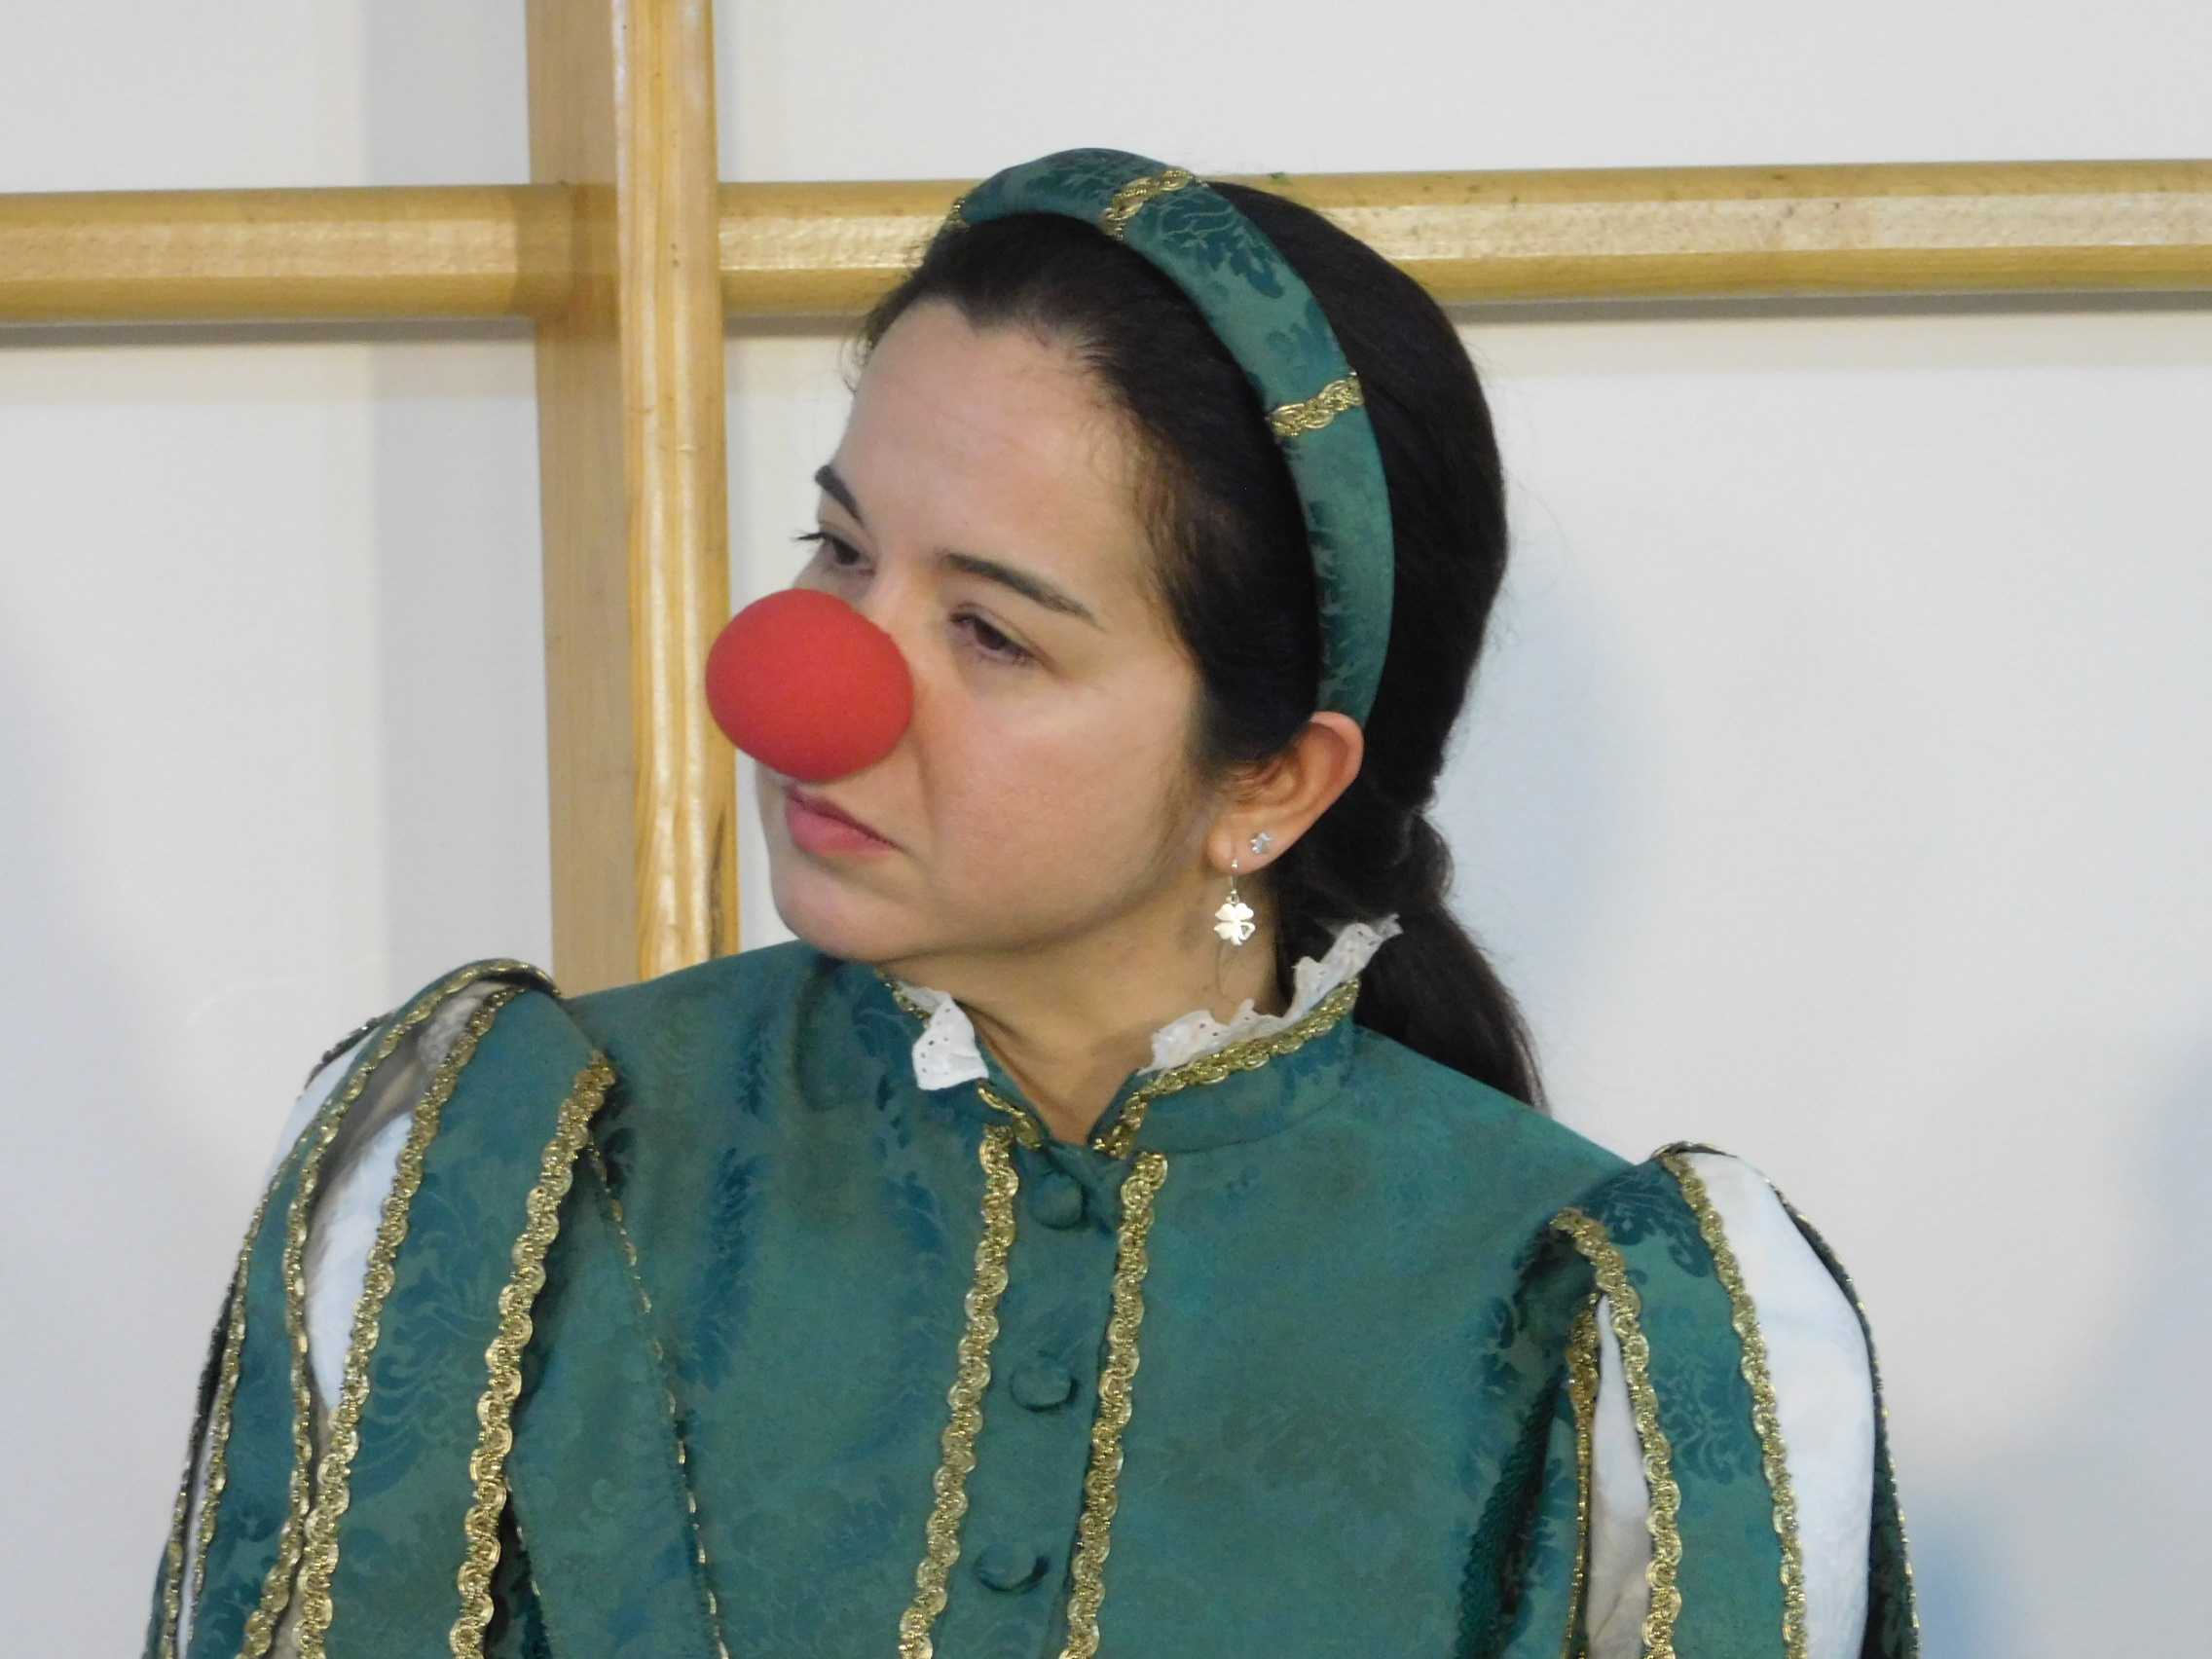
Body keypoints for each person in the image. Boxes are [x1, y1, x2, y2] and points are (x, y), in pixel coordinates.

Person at [146, 149, 1918, 1659]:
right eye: (841, 549)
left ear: (1270, 782)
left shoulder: (1605, 1326)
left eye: (990, 631)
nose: (811, 685)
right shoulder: (493, 1171)